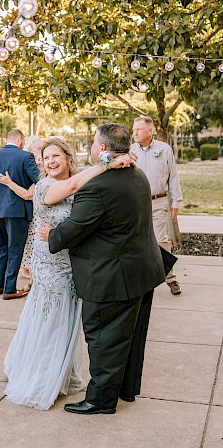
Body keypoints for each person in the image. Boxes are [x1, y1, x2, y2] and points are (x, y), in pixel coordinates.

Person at [39, 123, 166, 415]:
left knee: (102, 338)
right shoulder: (137, 174)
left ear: (104, 149)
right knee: (128, 337)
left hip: (111, 276)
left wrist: (52, 235)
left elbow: (76, 228)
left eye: (95, 143)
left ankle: (100, 400)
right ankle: (123, 389)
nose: (92, 148)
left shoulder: (96, 188)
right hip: (141, 270)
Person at [4, 138, 135, 410]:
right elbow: (73, 187)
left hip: (72, 262)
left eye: (56, 156)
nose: (51, 161)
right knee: (51, 318)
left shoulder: (80, 178)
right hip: (51, 264)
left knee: (66, 318)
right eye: (46, 157)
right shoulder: (43, 187)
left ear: (67, 157)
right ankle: (41, 378)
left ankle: (63, 374)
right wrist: (106, 163)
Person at [0, 129, 40, 300]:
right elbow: (39, 179)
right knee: (15, 249)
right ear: (20, 140)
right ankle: (10, 289)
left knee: (2, 248)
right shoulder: (25, 157)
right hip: (17, 210)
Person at [132, 116, 183, 295]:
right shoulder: (130, 151)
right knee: (136, 242)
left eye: (139, 129)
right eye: (134, 129)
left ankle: (170, 278)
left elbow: (173, 177)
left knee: (161, 241)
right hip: (136, 203)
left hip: (158, 201)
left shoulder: (164, 149)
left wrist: (176, 201)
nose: (135, 132)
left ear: (150, 131)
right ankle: (140, 280)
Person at [0, 136, 44, 290]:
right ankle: (33, 281)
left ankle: (34, 282)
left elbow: (29, 195)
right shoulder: (30, 171)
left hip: (39, 216)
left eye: (40, 155)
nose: (38, 160)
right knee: (31, 250)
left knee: (37, 249)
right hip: (31, 215)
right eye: (35, 155)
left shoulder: (42, 174)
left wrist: (9, 183)